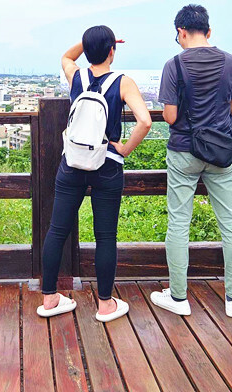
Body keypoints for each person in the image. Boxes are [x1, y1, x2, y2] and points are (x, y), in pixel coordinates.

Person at [38, 25, 152, 322]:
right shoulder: (123, 82)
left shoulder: (76, 75)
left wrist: (89, 44)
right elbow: (145, 121)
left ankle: (50, 298)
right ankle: (105, 305)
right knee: (105, 236)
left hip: (72, 163)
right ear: (113, 50)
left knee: (57, 230)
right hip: (107, 165)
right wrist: (124, 149)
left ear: (88, 51)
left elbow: (66, 55)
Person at [151, 4, 232, 318]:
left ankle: (178, 297)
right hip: (220, 153)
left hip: (183, 151)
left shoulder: (174, 65)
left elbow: (171, 115)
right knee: (231, 223)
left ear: (181, 32)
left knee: (179, 224)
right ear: (208, 31)